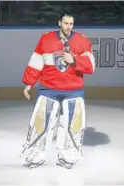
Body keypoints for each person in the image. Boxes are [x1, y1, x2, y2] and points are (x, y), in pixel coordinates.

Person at [20, 12, 95, 169]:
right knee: (41, 123)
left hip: (73, 90)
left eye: (71, 24)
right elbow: (36, 62)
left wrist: (74, 60)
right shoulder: (46, 39)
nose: (68, 26)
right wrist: (28, 82)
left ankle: (68, 157)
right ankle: (35, 155)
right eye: (66, 23)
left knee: (72, 126)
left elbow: (91, 65)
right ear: (59, 22)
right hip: (48, 89)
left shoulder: (83, 41)